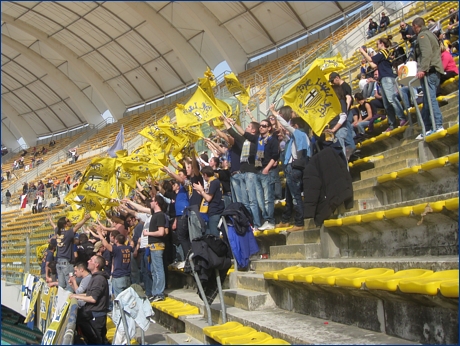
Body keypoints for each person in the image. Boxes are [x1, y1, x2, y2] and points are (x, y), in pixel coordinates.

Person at [271, 104, 310, 231]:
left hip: (294, 169)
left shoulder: (299, 133)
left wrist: (274, 113)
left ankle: (299, 222)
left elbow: (286, 126)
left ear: (296, 126)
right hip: (291, 169)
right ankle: (286, 219)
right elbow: (287, 136)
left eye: (292, 126)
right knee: (288, 196)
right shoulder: (297, 137)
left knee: (295, 196)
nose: (289, 129)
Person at [359, 38, 407, 132]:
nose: (377, 46)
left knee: (391, 99)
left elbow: (371, 59)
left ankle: (402, 118)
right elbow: (373, 65)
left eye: (377, 44)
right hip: (383, 79)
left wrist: (363, 52)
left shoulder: (384, 52)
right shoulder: (382, 55)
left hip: (387, 78)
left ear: (382, 44)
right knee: (386, 104)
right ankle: (392, 124)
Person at [411, 17, 445, 139]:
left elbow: (426, 54)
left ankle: (438, 124)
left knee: (430, 100)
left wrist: (422, 69)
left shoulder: (422, 36)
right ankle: (428, 127)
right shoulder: (430, 34)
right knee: (426, 101)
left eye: (412, 27)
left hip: (430, 72)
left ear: (415, 25)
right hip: (433, 71)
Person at [69, 255, 109, 345]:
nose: (88, 261)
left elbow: (93, 298)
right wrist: (76, 295)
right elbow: (90, 294)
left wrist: (76, 296)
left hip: (96, 317)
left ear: (96, 265)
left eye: (91, 260)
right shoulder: (95, 277)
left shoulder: (98, 279)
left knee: (96, 341)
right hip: (92, 314)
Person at [50, 213, 91, 291]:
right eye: (68, 221)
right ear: (65, 225)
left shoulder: (58, 232)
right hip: (66, 262)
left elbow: (54, 226)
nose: (70, 221)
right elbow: (77, 226)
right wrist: (85, 219)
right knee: (70, 285)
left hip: (58, 262)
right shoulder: (67, 233)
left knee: (61, 286)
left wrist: (50, 220)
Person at [142, 195, 167, 302]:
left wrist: (148, 233)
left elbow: (161, 232)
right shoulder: (154, 215)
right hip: (152, 247)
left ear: (156, 202)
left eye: (152, 201)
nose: (150, 203)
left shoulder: (160, 215)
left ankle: (159, 293)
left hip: (157, 246)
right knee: (153, 270)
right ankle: (155, 292)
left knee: (158, 270)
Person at [97, 228, 133, 298]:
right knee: (127, 298)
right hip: (128, 277)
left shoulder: (117, 249)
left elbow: (106, 244)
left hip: (118, 277)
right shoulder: (128, 248)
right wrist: (129, 236)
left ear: (116, 241)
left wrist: (99, 233)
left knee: (119, 299)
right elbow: (132, 244)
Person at [193, 166, 225, 237]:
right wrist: (201, 192)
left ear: (205, 175)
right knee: (208, 235)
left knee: (214, 237)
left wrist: (201, 190)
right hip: (214, 212)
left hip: (215, 212)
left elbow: (208, 198)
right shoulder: (215, 181)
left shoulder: (213, 182)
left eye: (203, 175)